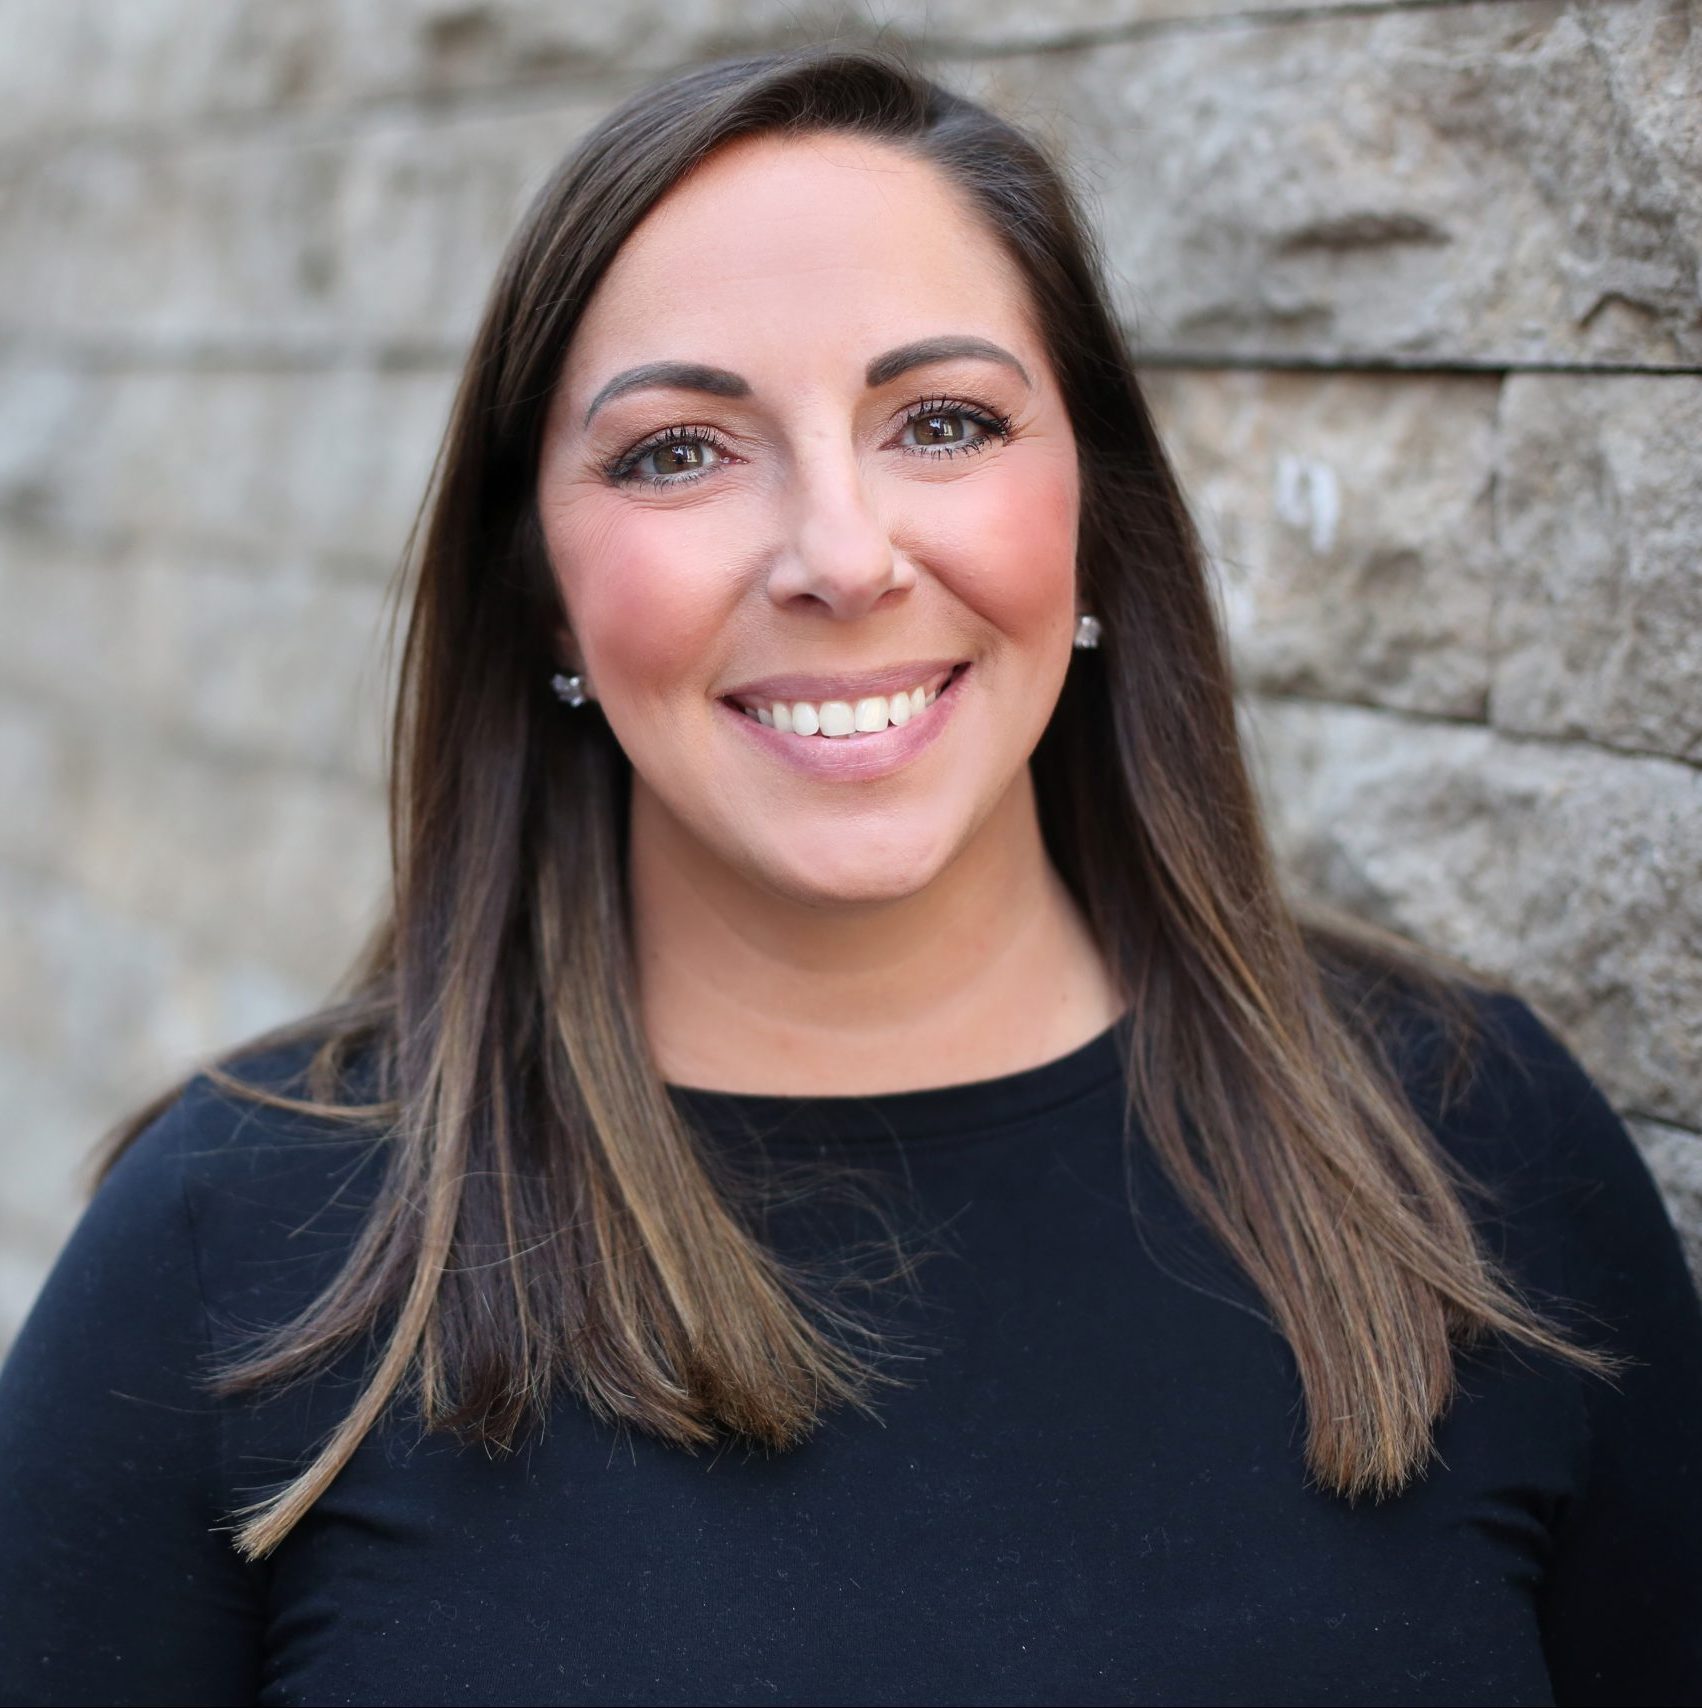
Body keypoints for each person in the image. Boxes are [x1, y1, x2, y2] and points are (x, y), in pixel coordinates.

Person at [1, 43, 1698, 1708]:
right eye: (679, 449)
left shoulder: (1472, 1148)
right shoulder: (247, 1249)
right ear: (541, 596)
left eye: (942, 422)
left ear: (1095, 518)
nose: (839, 555)